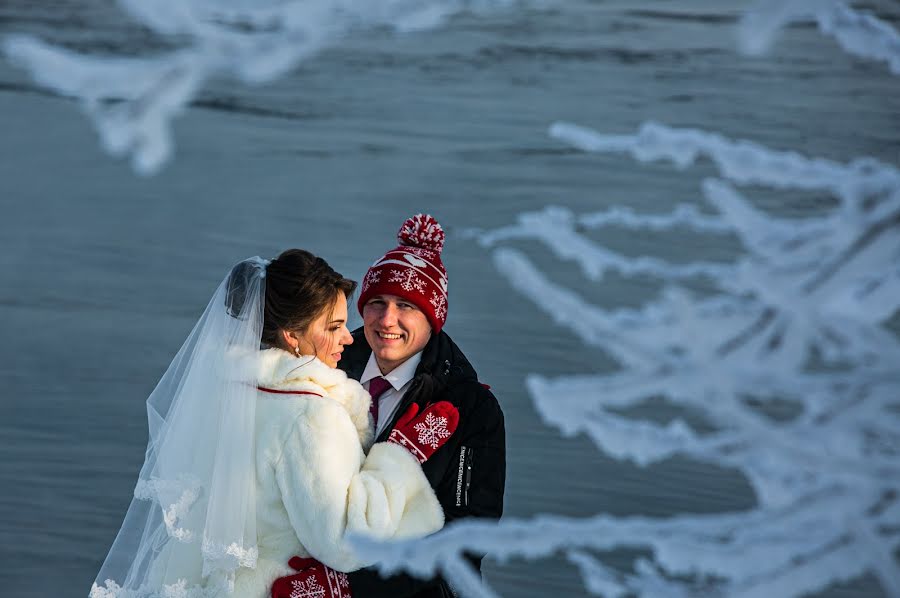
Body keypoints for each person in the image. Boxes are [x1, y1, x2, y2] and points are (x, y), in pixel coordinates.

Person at [90, 250, 458, 598]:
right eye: (334, 327)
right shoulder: (312, 416)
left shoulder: (227, 391)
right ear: (291, 336)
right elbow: (345, 545)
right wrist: (397, 458)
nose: (349, 338)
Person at [338, 214, 507, 597]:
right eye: (376, 302)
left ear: (433, 318)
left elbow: (467, 534)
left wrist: (358, 585)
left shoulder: (471, 408)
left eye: (406, 306)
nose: (387, 320)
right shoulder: (326, 366)